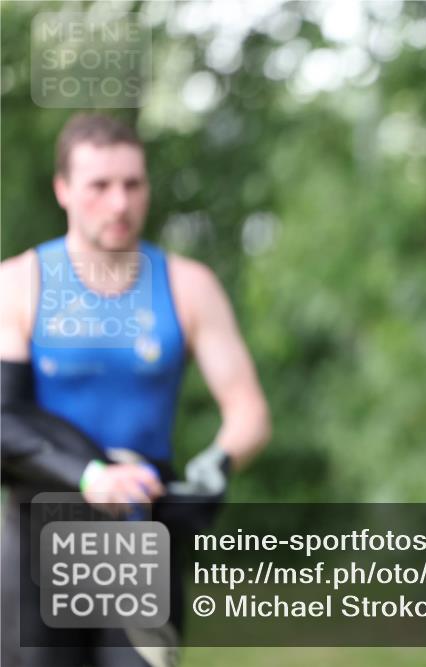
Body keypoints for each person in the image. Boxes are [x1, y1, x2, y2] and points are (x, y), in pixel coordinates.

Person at [0, 113, 271, 666]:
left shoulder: (188, 287)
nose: (119, 203)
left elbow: (248, 410)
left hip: (141, 532)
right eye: (100, 185)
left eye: (132, 184)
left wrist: (212, 469)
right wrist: (90, 475)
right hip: (37, 532)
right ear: (64, 190)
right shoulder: (17, 284)